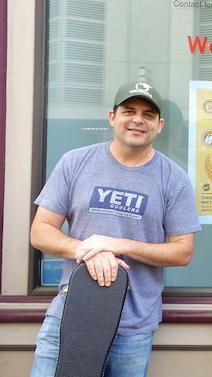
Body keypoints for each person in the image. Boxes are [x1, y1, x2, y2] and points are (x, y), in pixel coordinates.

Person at [29, 80, 201, 377]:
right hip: (70, 316)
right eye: (129, 111)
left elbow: (183, 251)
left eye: (148, 115)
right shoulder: (75, 162)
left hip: (133, 326)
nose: (137, 119)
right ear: (112, 117)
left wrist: (118, 244)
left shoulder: (174, 178)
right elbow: (40, 231)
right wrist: (87, 250)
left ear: (159, 125)